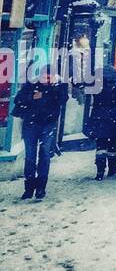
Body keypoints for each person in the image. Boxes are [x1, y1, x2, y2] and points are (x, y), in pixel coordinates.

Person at [13, 67, 68, 201]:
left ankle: (41, 187)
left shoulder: (57, 88)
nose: (47, 80)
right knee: (30, 156)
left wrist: (53, 90)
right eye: (45, 77)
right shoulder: (31, 86)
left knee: (44, 154)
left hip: (47, 124)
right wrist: (32, 97)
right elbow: (18, 100)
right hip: (30, 124)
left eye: (50, 77)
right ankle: (29, 187)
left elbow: (63, 99)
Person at [84, 67, 116, 180]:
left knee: (101, 145)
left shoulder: (96, 85)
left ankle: (99, 172)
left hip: (98, 116)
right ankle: (112, 168)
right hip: (115, 117)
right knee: (112, 144)